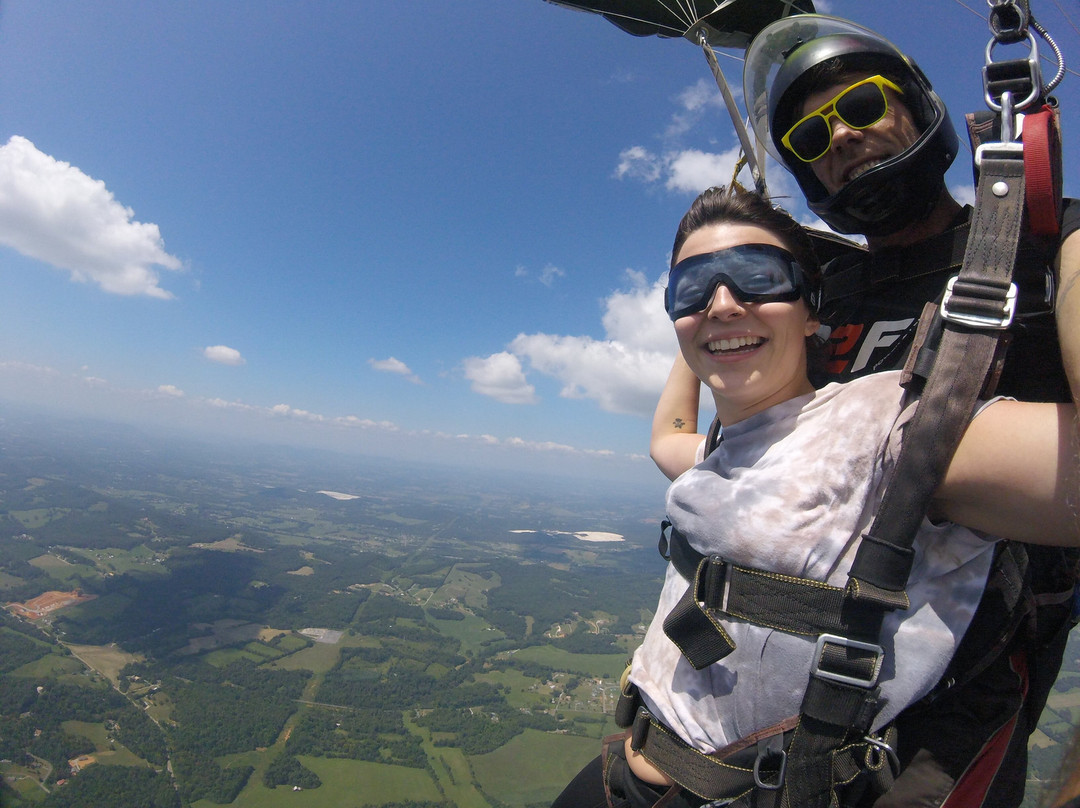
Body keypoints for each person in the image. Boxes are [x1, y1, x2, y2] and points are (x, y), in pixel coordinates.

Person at [652, 14, 1080, 805]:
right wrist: (711, 302)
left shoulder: (1044, 248)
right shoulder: (817, 291)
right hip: (770, 686)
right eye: (811, 137)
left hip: (950, 695)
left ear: (920, 107)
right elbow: (701, 441)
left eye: (862, 106)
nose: (840, 136)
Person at [553, 185, 1080, 808]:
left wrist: (1070, 235)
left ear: (811, 312)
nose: (724, 302)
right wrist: (701, 332)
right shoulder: (723, 450)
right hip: (628, 775)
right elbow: (666, 439)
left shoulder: (891, 425)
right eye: (693, 290)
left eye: (756, 278)